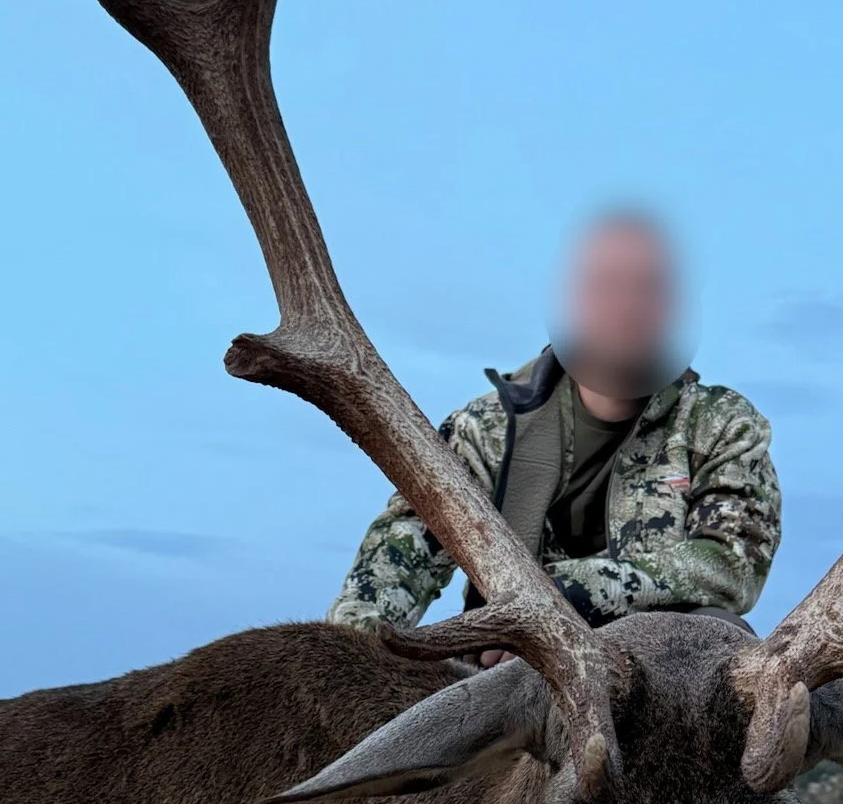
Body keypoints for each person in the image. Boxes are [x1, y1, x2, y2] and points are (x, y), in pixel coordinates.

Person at [329, 212, 781, 641]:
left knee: (720, 632)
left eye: (649, 287)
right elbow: (404, 550)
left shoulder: (723, 424)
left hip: (658, 671)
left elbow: (730, 565)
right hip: (507, 666)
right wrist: (351, 651)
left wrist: (557, 595)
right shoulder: (485, 430)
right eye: (606, 286)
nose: (627, 307)